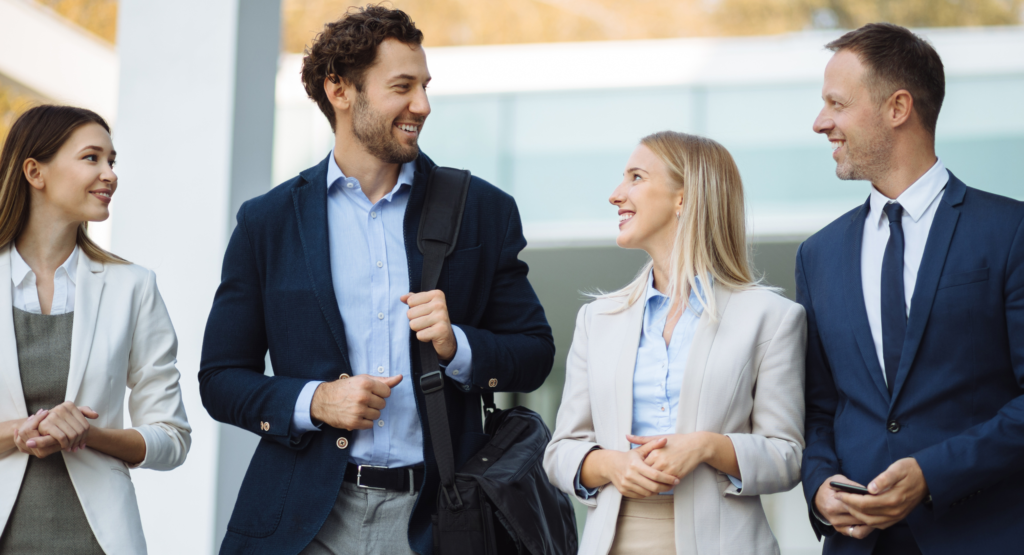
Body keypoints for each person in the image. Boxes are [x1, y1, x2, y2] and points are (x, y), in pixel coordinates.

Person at [197, 6, 554, 555]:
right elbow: (220, 379)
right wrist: (315, 401)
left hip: (441, 520)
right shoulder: (266, 223)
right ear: (339, 90)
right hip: (302, 521)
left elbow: (534, 353)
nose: (422, 106)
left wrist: (456, 344)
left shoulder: (482, 210)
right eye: (402, 87)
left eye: (425, 86)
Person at [798, 23, 1024, 555]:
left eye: (836, 102)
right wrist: (819, 485)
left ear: (898, 108)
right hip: (858, 543)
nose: (820, 122)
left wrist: (932, 471)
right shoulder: (818, 256)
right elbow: (817, 409)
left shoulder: (1010, 233)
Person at [544, 131, 806, 555]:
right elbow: (561, 451)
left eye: (635, 177)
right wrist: (613, 465)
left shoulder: (772, 318)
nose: (616, 194)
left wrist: (707, 447)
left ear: (683, 198)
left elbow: (787, 456)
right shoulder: (598, 320)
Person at [0, 105, 191, 554]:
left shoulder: (134, 287)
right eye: (92, 158)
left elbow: (172, 438)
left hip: (99, 542)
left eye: (112, 161)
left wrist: (90, 434)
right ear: (35, 171)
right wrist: (21, 432)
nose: (110, 174)